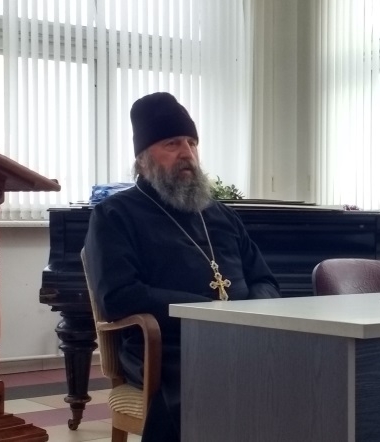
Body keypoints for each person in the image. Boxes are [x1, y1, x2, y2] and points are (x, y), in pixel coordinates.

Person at [83, 92, 280, 442]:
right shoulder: (115, 215)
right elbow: (118, 296)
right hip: (166, 347)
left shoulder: (222, 216)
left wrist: (250, 315)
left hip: (240, 338)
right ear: (142, 159)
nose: (187, 153)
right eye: (172, 143)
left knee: (304, 371)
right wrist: (207, 313)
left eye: (192, 142)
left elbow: (264, 279)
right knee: (210, 384)